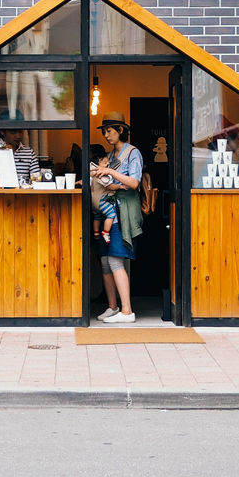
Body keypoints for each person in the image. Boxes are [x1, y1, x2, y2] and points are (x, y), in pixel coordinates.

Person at [90, 112, 144, 324]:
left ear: (121, 130)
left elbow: (134, 183)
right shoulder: (111, 155)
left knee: (115, 260)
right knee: (104, 261)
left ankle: (127, 311)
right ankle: (113, 307)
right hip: (109, 211)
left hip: (123, 212)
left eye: (109, 131)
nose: (106, 135)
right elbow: (117, 183)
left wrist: (109, 174)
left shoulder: (133, 153)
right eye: (104, 131)